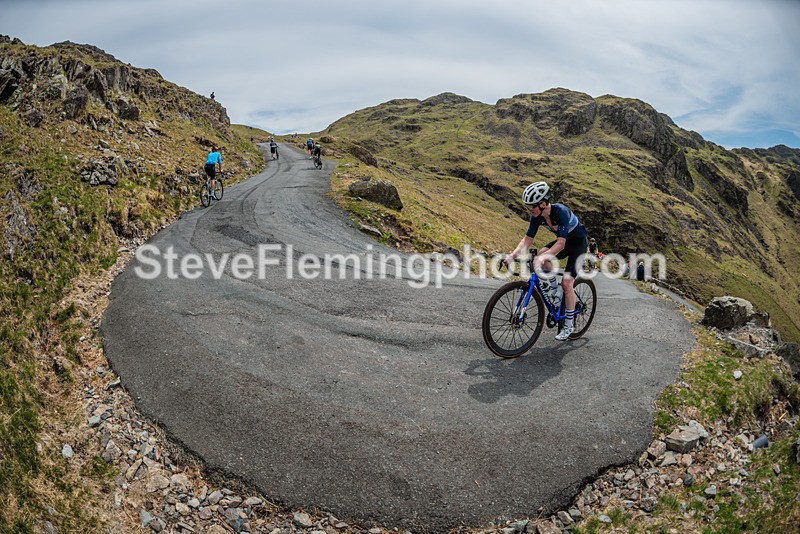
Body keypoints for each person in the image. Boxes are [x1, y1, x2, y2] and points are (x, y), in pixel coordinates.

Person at [504, 181, 588, 341]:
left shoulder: (561, 212)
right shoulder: (537, 216)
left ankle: (569, 325)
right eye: (527, 206)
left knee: (567, 283)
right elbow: (527, 240)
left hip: (577, 245)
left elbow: (561, 243)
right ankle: (555, 292)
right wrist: (512, 256)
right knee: (542, 253)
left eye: (531, 206)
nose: (529, 210)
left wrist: (542, 258)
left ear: (543, 204)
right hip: (563, 243)